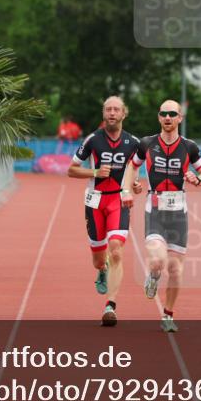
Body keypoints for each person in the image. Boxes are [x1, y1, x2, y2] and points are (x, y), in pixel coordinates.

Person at [121, 100, 201, 333]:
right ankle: (153, 275)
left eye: (172, 114)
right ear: (159, 117)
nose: (168, 117)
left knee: (175, 269)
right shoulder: (147, 144)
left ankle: (168, 315)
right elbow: (132, 166)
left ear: (180, 118)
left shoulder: (189, 147)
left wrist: (198, 179)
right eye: (164, 114)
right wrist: (127, 189)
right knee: (157, 261)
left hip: (179, 213)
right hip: (155, 209)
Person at [68, 96, 142, 326]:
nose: (112, 113)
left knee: (116, 250)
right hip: (95, 202)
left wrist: (134, 184)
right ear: (103, 114)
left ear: (123, 114)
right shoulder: (92, 140)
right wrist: (95, 172)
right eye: (108, 109)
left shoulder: (133, 143)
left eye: (116, 109)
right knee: (99, 260)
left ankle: (110, 305)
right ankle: (102, 269)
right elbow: (71, 170)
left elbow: (135, 169)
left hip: (118, 200)